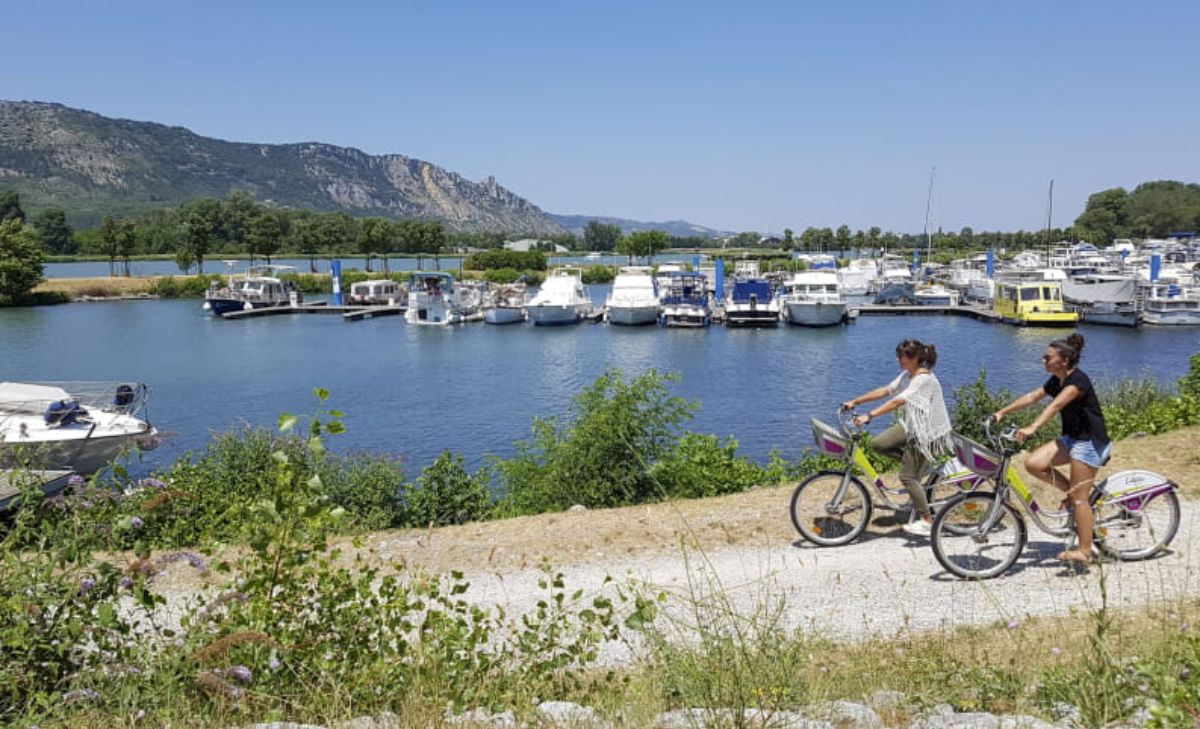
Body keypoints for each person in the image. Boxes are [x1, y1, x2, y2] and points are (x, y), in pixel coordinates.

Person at [991, 333, 1109, 564]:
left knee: (1080, 500)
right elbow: (1033, 397)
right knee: (1034, 464)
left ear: (1064, 361)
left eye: (1047, 357)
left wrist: (1033, 427)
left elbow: (1055, 406)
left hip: (1089, 442)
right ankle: (1073, 494)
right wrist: (1001, 412)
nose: (1043, 360)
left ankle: (1085, 550)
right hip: (1072, 438)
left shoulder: (1077, 382)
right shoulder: (1057, 379)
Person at [842, 339, 953, 536]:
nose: (899, 359)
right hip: (912, 425)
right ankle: (920, 468)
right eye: (899, 355)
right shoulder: (907, 375)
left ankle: (928, 520)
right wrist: (856, 401)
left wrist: (870, 415)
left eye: (904, 356)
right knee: (878, 444)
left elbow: (897, 401)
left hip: (927, 432)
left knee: (907, 477)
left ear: (916, 358)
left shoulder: (923, 380)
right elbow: (886, 391)